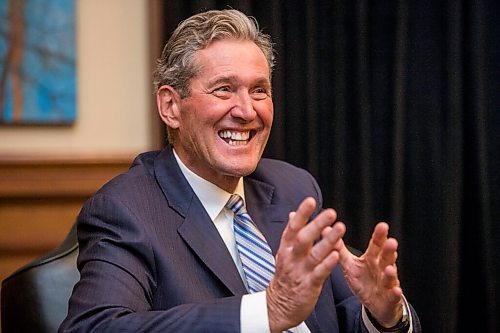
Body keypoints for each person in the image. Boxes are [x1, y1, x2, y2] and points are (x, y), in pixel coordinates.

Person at [60, 9, 421, 333]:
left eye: (259, 90)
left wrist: (384, 318)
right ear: (171, 106)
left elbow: (344, 317)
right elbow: (93, 327)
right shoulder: (126, 209)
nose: (247, 111)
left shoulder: (292, 188)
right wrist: (266, 313)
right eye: (224, 89)